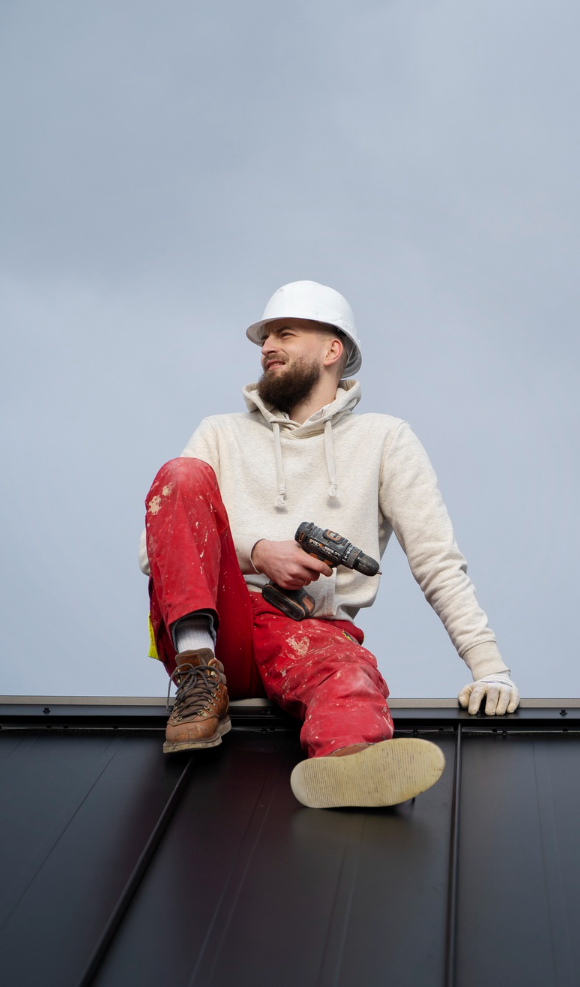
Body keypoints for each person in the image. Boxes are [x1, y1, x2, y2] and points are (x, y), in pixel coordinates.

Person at [139, 280, 518, 809]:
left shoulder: (386, 439)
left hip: (309, 630)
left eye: (285, 334)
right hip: (220, 628)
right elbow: (151, 547)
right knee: (182, 475)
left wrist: (490, 668)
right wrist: (260, 551)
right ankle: (197, 679)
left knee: (350, 676)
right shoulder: (219, 433)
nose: (267, 347)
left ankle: (349, 771)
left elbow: (436, 560)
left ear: (332, 350)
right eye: (264, 337)